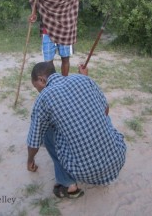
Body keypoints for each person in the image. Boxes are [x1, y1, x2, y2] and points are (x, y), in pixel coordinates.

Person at [26, 62, 127, 199]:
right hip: (118, 158)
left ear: (42, 80)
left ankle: (69, 186)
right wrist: (85, 79)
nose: (38, 90)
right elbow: (105, 110)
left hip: (86, 171)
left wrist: (30, 159)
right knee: (101, 115)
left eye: (36, 86)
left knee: (46, 132)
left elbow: (34, 140)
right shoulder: (83, 79)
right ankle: (105, 157)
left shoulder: (43, 98)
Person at [28, 0, 82, 76]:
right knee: (48, 61)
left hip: (64, 25)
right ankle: (53, 84)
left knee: (65, 58)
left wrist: (67, 3)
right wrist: (34, 13)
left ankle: (64, 81)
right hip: (47, 26)